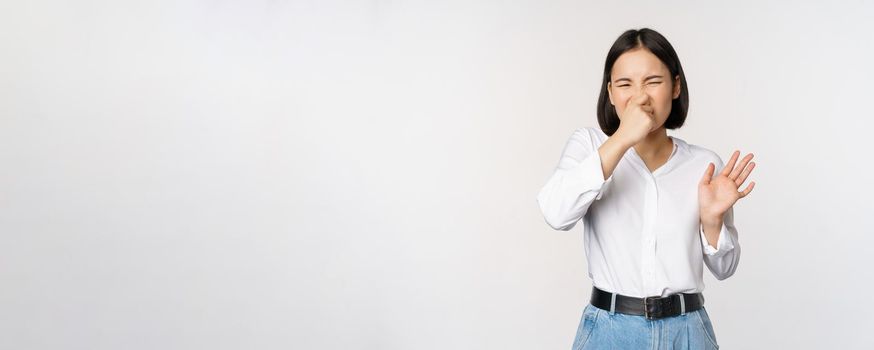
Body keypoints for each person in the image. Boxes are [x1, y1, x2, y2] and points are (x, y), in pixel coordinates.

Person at [536, 28, 756, 349]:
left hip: (688, 332)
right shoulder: (589, 146)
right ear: (610, 94)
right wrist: (623, 138)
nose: (640, 96)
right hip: (609, 332)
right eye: (625, 84)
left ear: (676, 86)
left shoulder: (704, 164)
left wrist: (712, 222)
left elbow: (725, 268)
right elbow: (556, 213)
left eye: (653, 82)